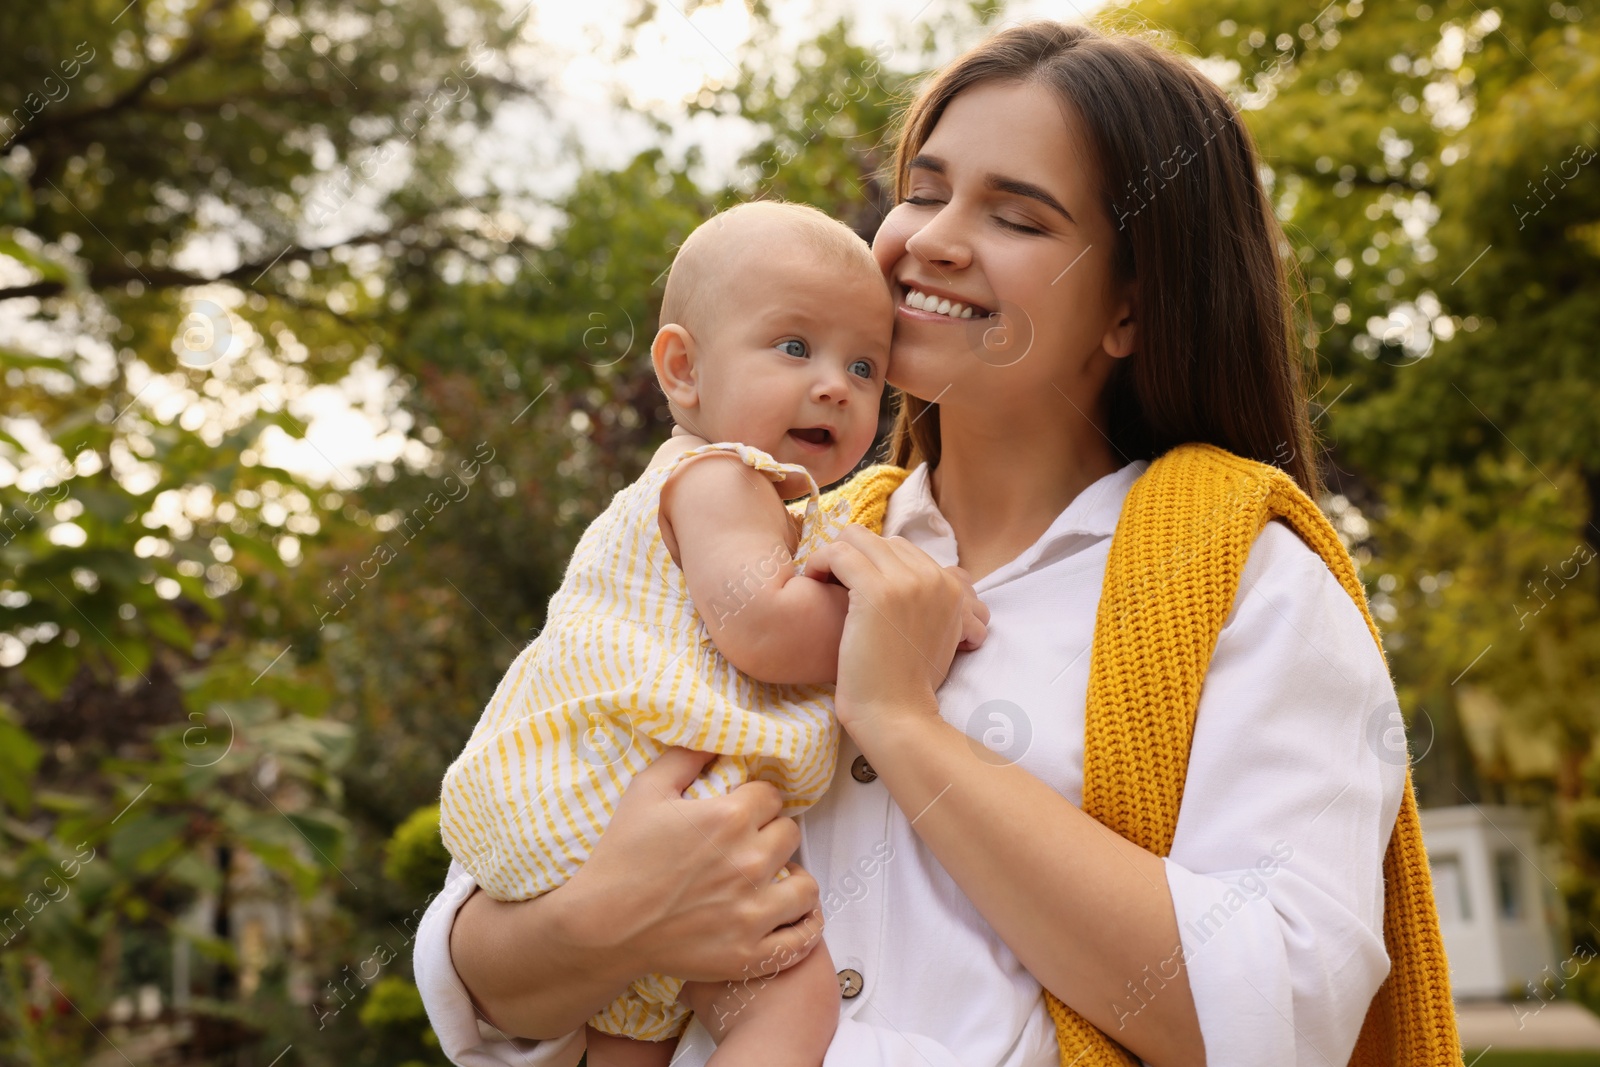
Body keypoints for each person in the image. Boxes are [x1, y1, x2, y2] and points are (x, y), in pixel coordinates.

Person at [416, 20, 1459, 1067]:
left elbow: (1276, 1013)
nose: (929, 238)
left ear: (1130, 310)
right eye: (923, 190)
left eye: (1015, 216)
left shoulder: (1251, 582)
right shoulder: (764, 536)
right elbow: (484, 971)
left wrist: (902, 723)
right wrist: (613, 921)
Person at [434, 200, 988, 1067]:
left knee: (632, 1041)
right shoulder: (720, 477)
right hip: (633, 802)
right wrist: (919, 607)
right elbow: (762, 626)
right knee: (791, 1007)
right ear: (684, 370)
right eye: (795, 347)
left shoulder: (756, 499)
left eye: (865, 365)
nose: (836, 383)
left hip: (620, 827)